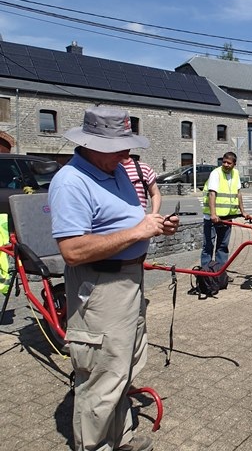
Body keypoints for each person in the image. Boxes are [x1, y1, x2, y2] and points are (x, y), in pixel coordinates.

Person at [49, 106, 179, 451]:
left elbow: (124, 224)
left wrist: (154, 226)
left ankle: (119, 440)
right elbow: (73, 251)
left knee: (123, 370)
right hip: (100, 288)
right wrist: (138, 231)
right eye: (118, 146)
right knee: (102, 378)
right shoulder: (71, 181)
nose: (127, 153)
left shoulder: (115, 169)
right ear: (91, 144)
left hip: (128, 283)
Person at [201, 151, 250, 268]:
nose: (226, 165)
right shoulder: (215, 173)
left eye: (229, 163)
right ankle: (206, 273)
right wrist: (213, 214)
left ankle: (220, 273)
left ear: (234, 164)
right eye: (224, 162)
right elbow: (212, 194)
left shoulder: (236, 174)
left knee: (223, 246)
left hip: (227, 217)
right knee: (208, 246)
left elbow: (238, 193)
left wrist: (242, 211)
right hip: (212, 218)